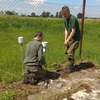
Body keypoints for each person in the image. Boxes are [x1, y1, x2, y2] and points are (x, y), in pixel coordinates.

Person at [61, 6, 81, 73]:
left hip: (75, 38)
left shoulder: (73, 19)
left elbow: (73, 31)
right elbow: (66, 29)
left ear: (69, 12)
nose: (65, 16)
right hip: (70, 38)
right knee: (67, 52)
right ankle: (71, 64)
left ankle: (72, 67)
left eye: (66, 14)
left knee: (70, 52)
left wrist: (67, 40)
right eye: (63, 15)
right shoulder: (65, 19)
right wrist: (65, 39)